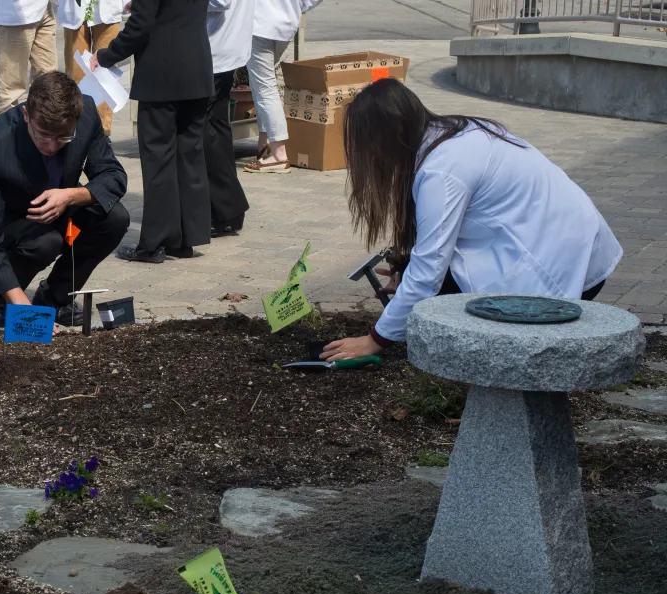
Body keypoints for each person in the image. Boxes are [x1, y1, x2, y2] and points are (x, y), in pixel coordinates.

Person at [321, 79, 623, 362]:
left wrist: (375, 340)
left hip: (560, 266)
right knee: (436, 292)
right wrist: (406, 269)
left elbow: (429, 271)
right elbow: (437, 246)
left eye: (370, 148)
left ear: (390, 138)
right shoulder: (453, 132)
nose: (371, 159)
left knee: (439, 300)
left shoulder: (441, 170)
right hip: (574, 245)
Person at [0, 71, 129, 328]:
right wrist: (23, 309)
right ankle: (2, 296)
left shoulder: (85, 116)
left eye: (64, 137)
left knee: (115, 218)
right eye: (43, 135)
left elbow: (114, 176)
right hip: (16, 227)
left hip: (63, 207)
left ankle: (54, 297)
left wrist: (72, 195)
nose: (52, 146)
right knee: (45, 242)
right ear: (27, 116)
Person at [92, 0, 214, 263]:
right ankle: (185, 238)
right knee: (189, 155)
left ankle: (155, 242)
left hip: (162, 73)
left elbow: (140, 26)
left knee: (158, 159)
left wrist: (105, 55)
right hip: (196, 67)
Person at [244, 0, 324, 174]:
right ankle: (265, 143)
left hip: (259, 24)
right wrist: (299, 6)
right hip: (285, 24)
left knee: (264, 86)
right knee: (262, 83)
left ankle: (279, 153)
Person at [205, 0, 253, 237]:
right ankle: (225, 209)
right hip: (225, 44)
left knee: (204, 130)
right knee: (216, 126)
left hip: (216, 46)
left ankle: (226, 207)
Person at [59, 0, 127, 136]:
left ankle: (102, 132)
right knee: (76, 74)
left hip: (108, 9)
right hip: (74, 9)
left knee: (105, 74)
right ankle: (78, 130)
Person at [0, 0, 59, 116]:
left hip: (45, 8)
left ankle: (44, 130)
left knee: (49, 81)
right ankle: (9, 132)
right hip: (17, 14)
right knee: (10, 89)